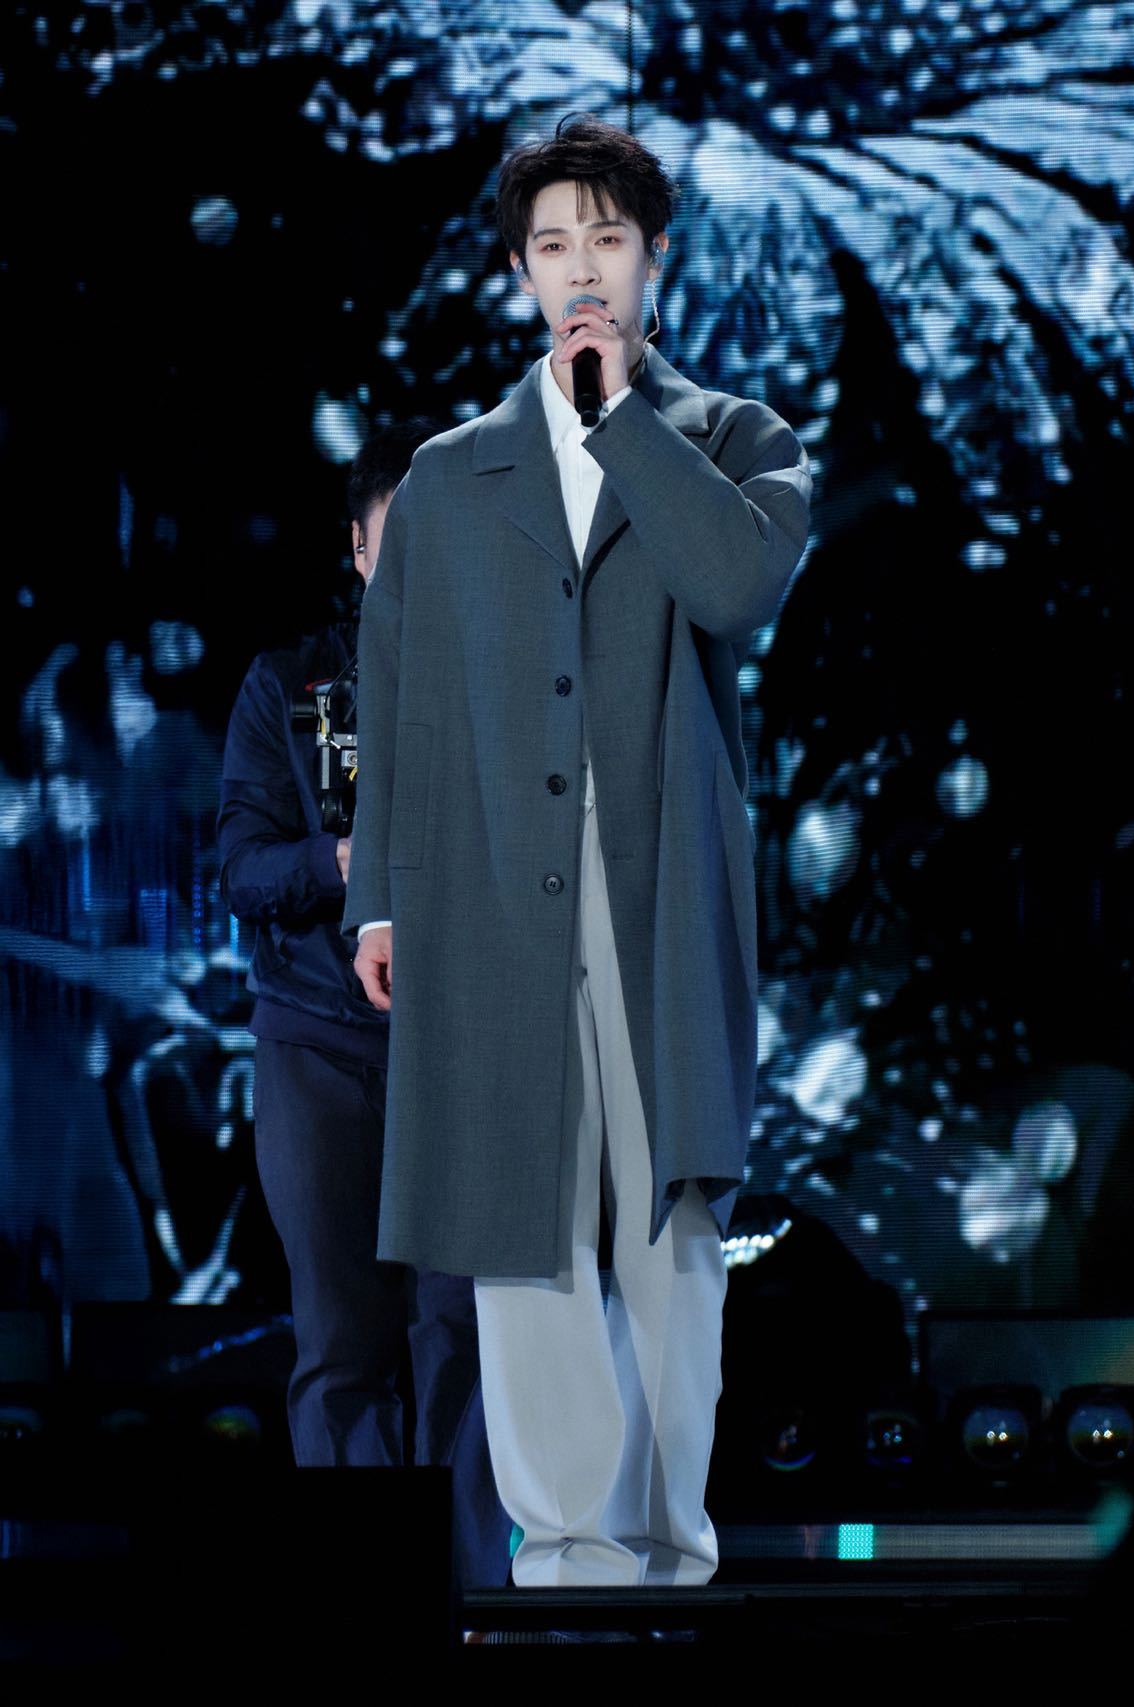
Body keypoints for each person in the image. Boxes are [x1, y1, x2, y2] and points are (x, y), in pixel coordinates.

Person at [346, 115, 811, 1589]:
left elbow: (735, 586)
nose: (581, 270)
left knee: (672, 1228)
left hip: (662, 888)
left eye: (607, 240)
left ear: (654, 260)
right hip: (492, 888)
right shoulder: (450, 477)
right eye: (553, 246)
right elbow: (398, 702)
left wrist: (621, 423)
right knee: (523, 1222)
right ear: (520, 273)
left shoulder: (735, 439)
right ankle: (562, 1555)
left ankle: (668, 1548)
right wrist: (378, 900)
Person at [217, 422, 509, 1588]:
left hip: (460, 1049)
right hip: (316, 1050)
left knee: (462, 1335)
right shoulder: (285, 686)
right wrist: (342, 862)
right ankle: (363, 1601)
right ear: (357, 548)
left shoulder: (507, 685)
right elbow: (240, 869)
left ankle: (468, 1596)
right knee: (340, 1338)